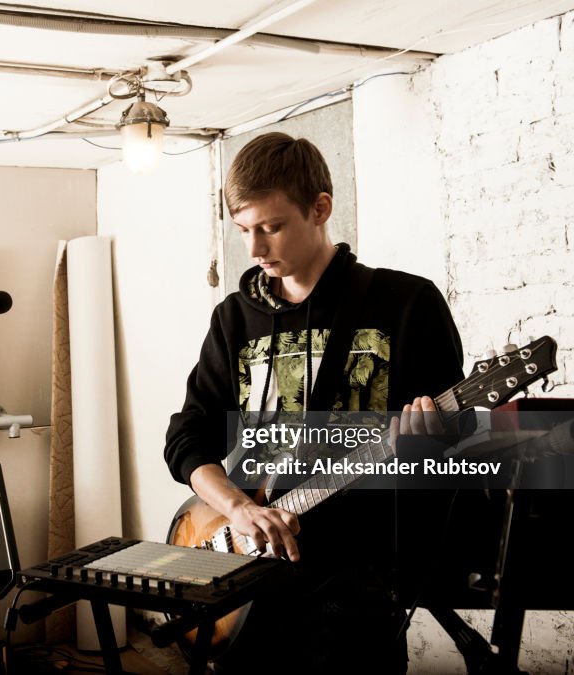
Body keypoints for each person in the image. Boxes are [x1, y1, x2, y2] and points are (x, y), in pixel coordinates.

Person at [163, 132, 465, 673]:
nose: (255, 250)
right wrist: (239, 509)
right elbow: (188, 437)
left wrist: (433, 441)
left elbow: (457, 451)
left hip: (359, 581)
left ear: (320, 208)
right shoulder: (233, 318)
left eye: (271, 227)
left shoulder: (405, 305)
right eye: (244, 231)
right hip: (250, 568)